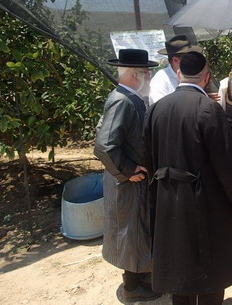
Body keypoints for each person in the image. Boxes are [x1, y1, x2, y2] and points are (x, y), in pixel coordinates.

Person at [144, 51, 232, 304]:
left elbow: (148, 157)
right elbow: (226, 160)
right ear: (206, 78)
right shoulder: (208, 109)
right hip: (204, 199)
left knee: (178, 258)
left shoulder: (156, 109)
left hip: (168, 196)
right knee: (210, 261)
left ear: (179, 73)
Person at [93, 49, 161, 303]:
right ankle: (133, 287)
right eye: (147, 72)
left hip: (134, 181)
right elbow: (104, 145)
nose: (150, 76)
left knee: (138, 230)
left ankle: (143, 278)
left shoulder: (130, 98)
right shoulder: (122, 100)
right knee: (130, 231)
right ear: (135, 74)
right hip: (128, 182)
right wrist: (127, 171)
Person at [149, 35, 202, 104]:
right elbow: (162, 109)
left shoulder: (193, 75)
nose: (192, 61)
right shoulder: (160, 80)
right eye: (188, 59)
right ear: (176, 60)